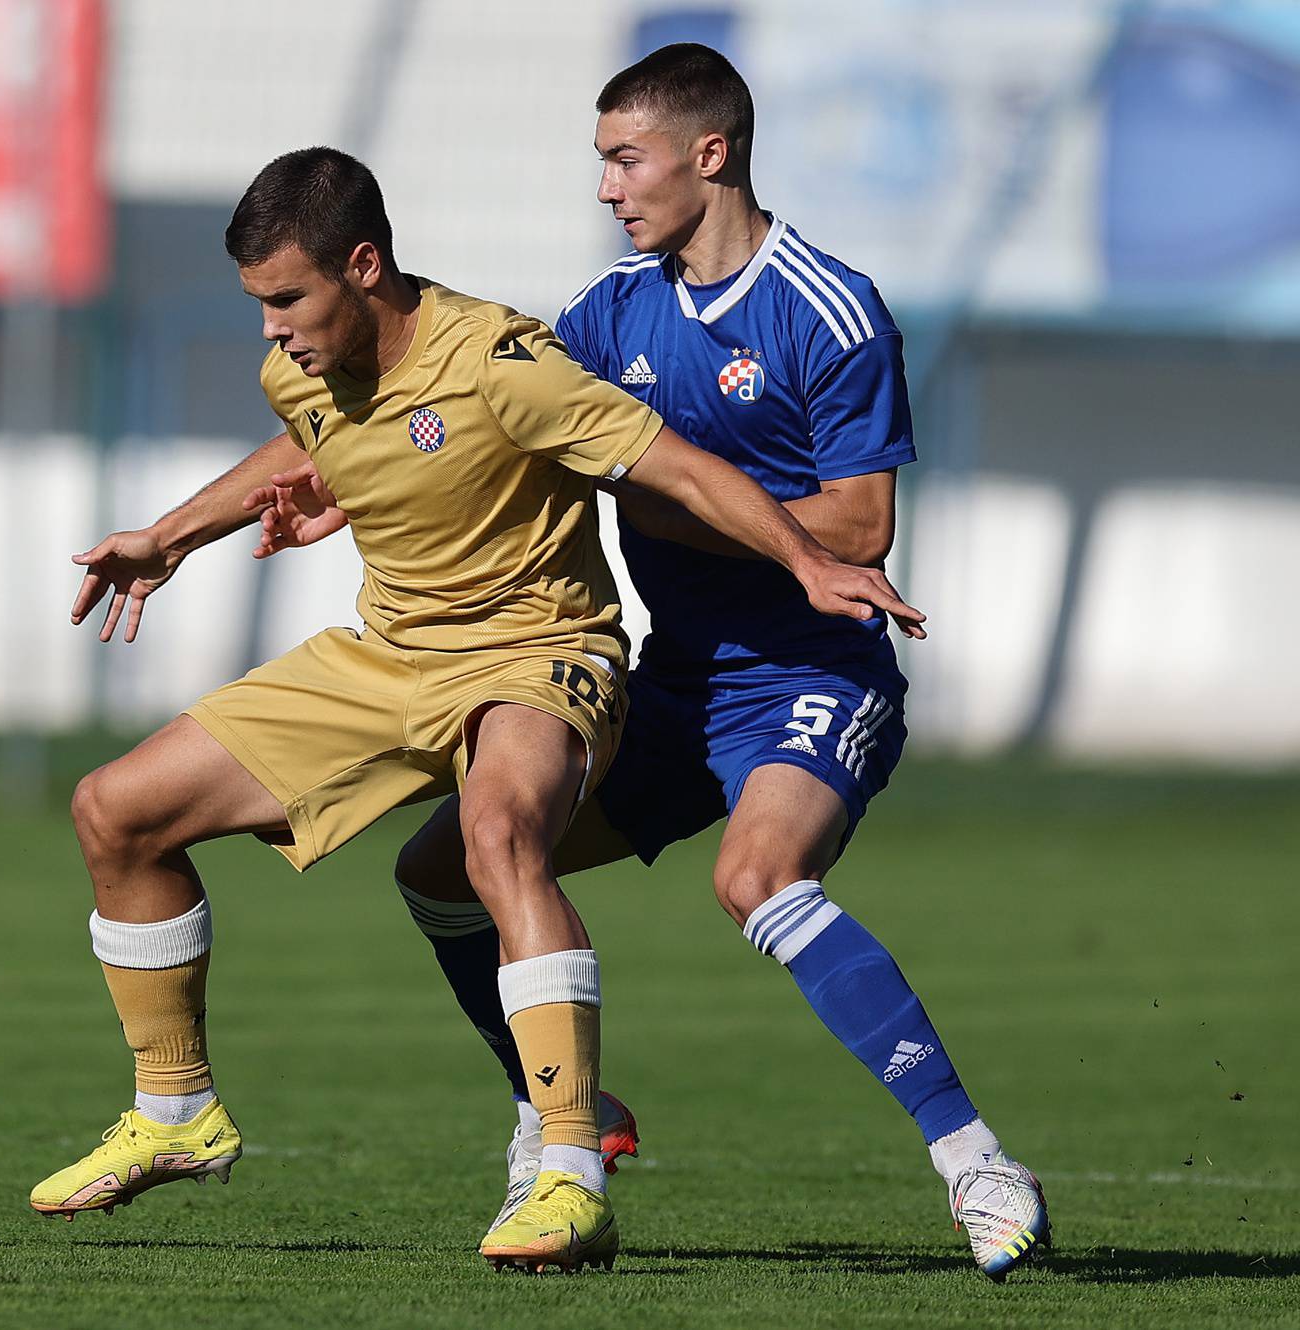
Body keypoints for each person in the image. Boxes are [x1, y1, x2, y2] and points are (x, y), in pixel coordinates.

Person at [28, 144, 923, 1274]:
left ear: (363, 267)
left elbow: (681, 470)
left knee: (498, 838)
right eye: (257, 303)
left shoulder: (503, 359)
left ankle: (567, 1168)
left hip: (538, 654)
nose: (270, 328)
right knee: (116, 811)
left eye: (288, 298)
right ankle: (174, 1112)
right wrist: (171, 535)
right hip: (389, 655)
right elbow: (307, 444)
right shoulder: (298, 368)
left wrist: (804, 559)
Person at [247, 46, 1049, 1281]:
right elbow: (493, 432)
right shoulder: (610, 313)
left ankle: (977, 1163)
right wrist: (336, 499)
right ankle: (561, 1113)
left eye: (627, 159)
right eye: (603, 163)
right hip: (673, 685)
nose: (610, 189)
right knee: (449, 866)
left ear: (710, 154)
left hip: (808, 674)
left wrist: (658, 500)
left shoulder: (828, 308)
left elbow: (857, 525)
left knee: (755, 875)